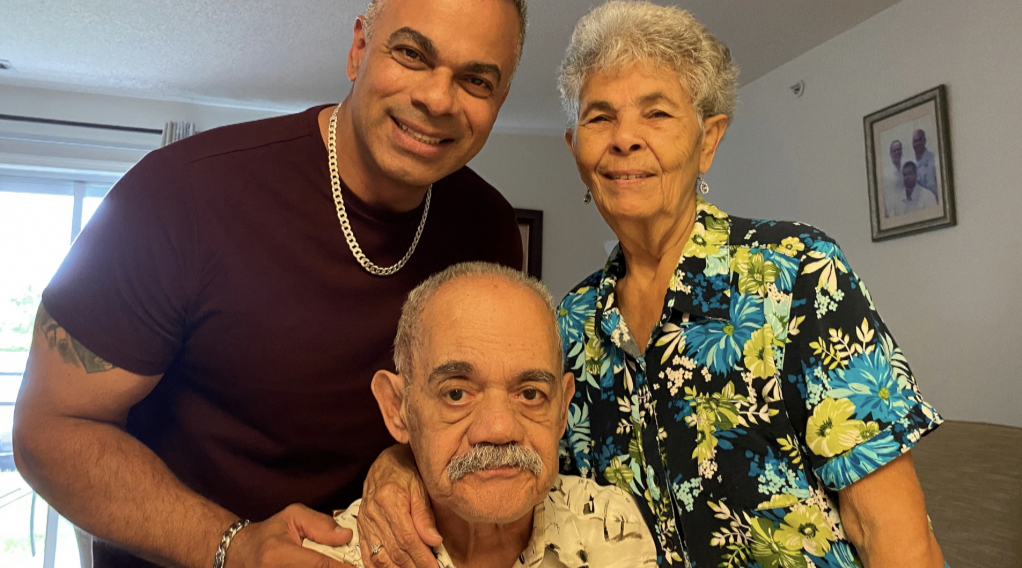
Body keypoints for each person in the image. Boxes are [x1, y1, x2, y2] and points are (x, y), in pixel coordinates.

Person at [357, 2, 948, 567]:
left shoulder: (796, 270)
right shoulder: (571, 322)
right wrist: (399, 461)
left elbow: (889, 530)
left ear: (708, 140)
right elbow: (514, 475)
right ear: (576, 149)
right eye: (599, 116)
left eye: (657, 113)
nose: (624, 139)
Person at [13, 1, 527, 568]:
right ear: (359, 48)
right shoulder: (179, 196)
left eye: (476, 79)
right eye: (411, 54)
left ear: (499, 100)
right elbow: (48, 431)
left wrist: (399, 458)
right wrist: (231, 545)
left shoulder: (490, 230)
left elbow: (476, 422)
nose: (436, 99)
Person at [303, 262, 658, 567]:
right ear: (398, 409)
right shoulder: (332, 558)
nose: (500, 428)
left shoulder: (611, 527)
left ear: (563, 409)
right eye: (456, 394)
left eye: (530, 394)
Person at [912, 129, 940, 198]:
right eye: (915, 141)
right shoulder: (912, 165)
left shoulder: (934, 160)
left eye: (919, 140)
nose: (917, 143)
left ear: (924, 141)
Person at [883, 140, 905, 218]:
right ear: (890, 153)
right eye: (894, 150)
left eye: (899, 149)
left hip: (904, 210)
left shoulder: (905, 170)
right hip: (891, 213)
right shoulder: (886, 173)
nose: (897, 152)